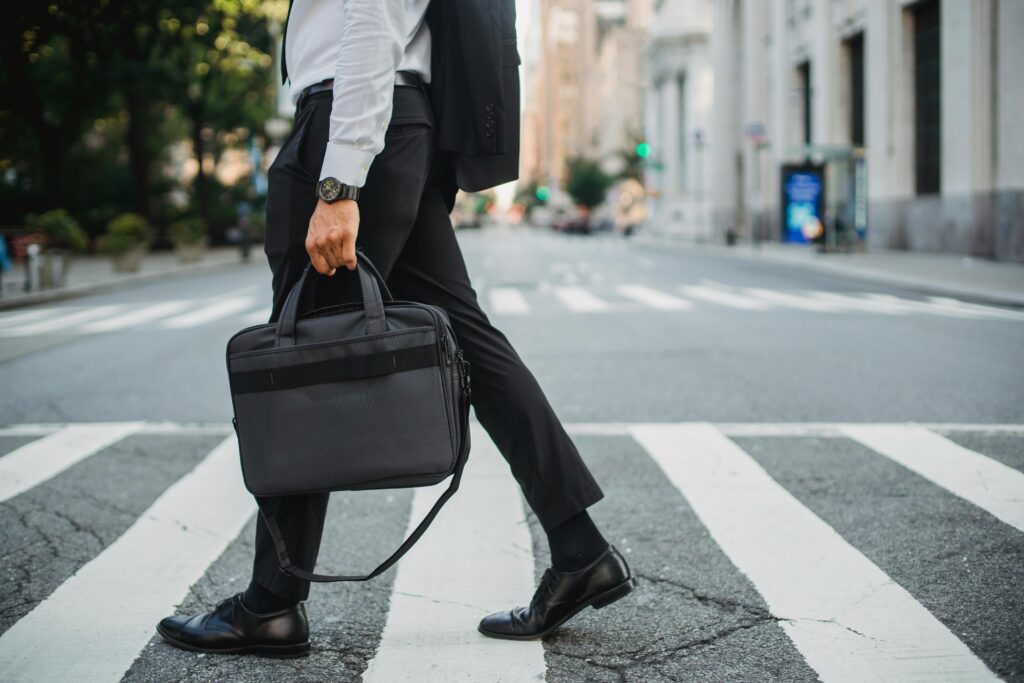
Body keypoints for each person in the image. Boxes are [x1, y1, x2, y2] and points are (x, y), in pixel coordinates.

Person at [157, 0, 634, 657]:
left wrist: (338, 183)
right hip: (393, 119)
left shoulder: (347, 146)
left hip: (355, 120)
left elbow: (372, 20)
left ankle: (269, 603)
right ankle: (579, 547)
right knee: (464, 334)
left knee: (303, 354)